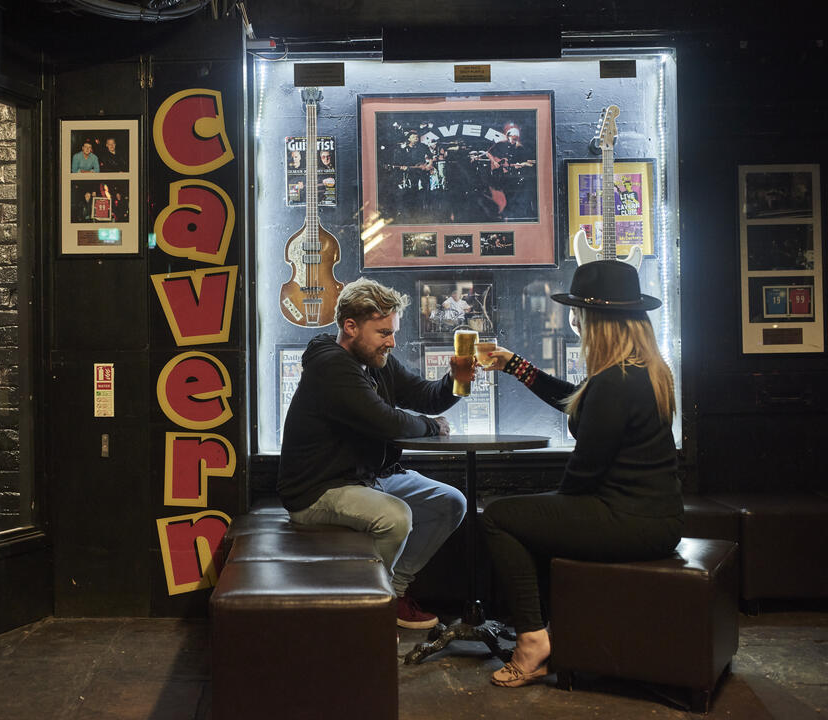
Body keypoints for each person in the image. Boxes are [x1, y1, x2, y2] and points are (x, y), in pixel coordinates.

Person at [469, 260, 681, 687]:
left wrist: (547, 515)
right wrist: (515, 365)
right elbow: (579, 401)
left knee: (498, 517)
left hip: (630, 521)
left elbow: (582, 476)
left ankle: (533, 643)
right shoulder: (643, 370)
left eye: (579, 314)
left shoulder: (615, 381)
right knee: (529, 516)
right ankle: (551, 630)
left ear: (596, 320)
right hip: (655, 516)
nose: (576, 324)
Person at [278, 278, 474, 629]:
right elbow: (385, 422)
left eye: (393, 332)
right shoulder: (331, 365)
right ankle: (367, 614)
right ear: (350, 327)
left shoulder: (377, 362)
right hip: (319, 491)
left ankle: (392, 593)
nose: (391, 342)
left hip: (367, 479)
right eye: (384, 332)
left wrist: (455, 379)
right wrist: (432, 427)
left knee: (451, 502)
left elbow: (426, 397)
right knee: (395, 517)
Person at [486, 123, 536, 220]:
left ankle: (508, 214)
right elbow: (488, 153)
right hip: (500, 174)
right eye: (512, 138)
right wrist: (494, 162)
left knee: (510, 194)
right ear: (508, 136)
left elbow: (520, 162)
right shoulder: (501, 144)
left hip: (510, 174)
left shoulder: (519, 148)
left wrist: (521, 164)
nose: (514, 141)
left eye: (515, 139)